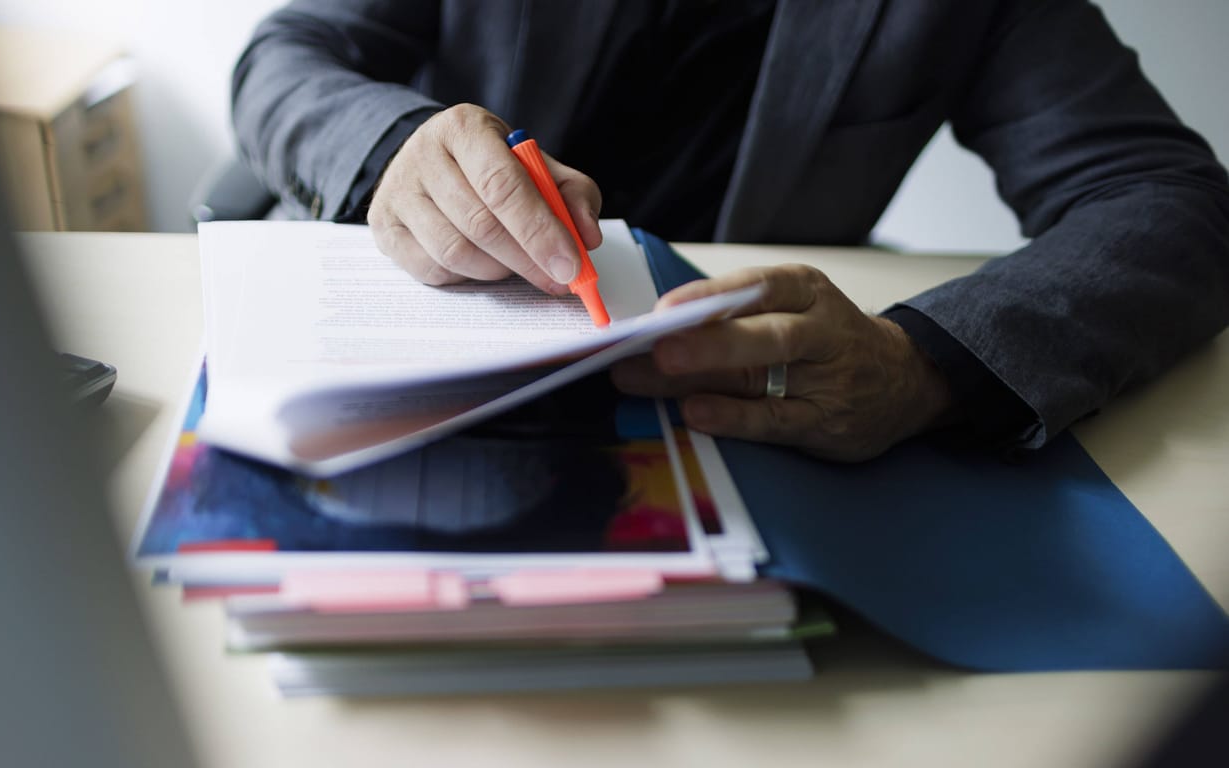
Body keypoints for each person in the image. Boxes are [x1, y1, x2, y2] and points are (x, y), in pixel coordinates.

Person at [231, 0, 1229, 461]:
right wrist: (392, 143)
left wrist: (919, 361)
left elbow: (1168, 197)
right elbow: (287, 54)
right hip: (429, 351)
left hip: (743, 411)